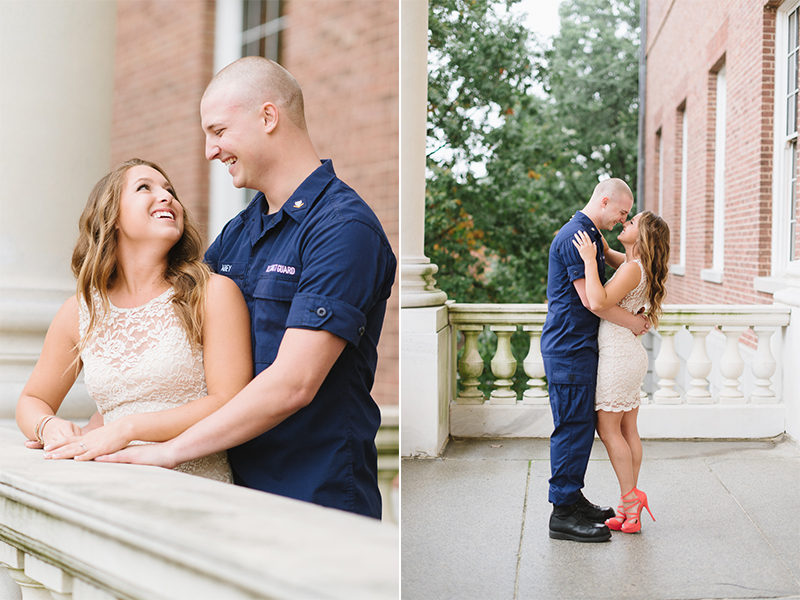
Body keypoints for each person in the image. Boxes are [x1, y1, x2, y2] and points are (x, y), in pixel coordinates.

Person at [96, 57, 397, 520]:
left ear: (268, 117)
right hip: (233, 492)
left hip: (314, 497)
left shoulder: (343, 229)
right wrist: (100, 424)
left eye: (218, 131)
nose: (209, 151)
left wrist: (168, 450)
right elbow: (175, 345)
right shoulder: (238, 233)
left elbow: (293, 383)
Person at [16, 158, 253, 482]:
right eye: (145, 188)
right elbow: (33, 400)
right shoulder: (79, 311)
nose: (167, 196)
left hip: (195, 491)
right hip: (107, 487)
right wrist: (49, 427)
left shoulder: (212, 293)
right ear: (112, 217)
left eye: (170, 191)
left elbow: (230, 403)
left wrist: (127, 428)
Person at [541, 178, 650, 543]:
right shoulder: (578, 236)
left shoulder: (590, 234)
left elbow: (623, 269)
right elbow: (593, 300)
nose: (624, 220)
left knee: (580, 428)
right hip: (569, 348)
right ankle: (562, 513)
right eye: (622, 212)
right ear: (605, 201)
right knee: (572, 429)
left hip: (582, 347)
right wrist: (635, 322)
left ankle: (573, 499)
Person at [573, 210, 669, 534]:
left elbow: (598, 301)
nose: (625, 223)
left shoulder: (631, 270)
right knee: (628, 430)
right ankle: (632, 510)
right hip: (629, 355)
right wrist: (598, 237)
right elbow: (616, 258)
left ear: (641, 237)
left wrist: (588, 259)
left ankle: (630, 499)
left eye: (632, 222)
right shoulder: (634, 265)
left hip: (618, 357)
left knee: (609, 428)